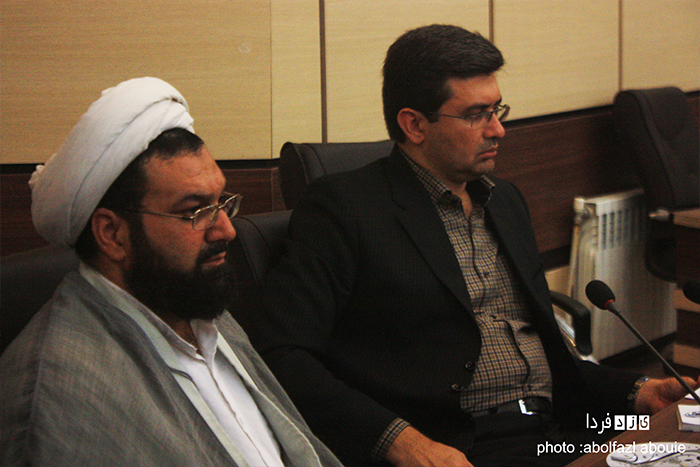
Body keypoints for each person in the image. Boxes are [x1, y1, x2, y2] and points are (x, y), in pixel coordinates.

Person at [243, 25, 700, 467]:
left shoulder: (505, 201)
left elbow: (549, 354)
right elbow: (280, 353)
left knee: (682, 442)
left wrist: (638, 391)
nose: (498, 129)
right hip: (463, 445)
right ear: (414, 125)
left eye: (497, 110)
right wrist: (400, 441)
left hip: (556, 431)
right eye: (476, 114)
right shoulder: (345, 208)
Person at [0, 77, 343, 467]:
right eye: (194, 211)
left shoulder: (192, 303)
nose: (226, 229)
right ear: (112, 234)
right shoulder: (60, 397)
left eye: (221, 202)